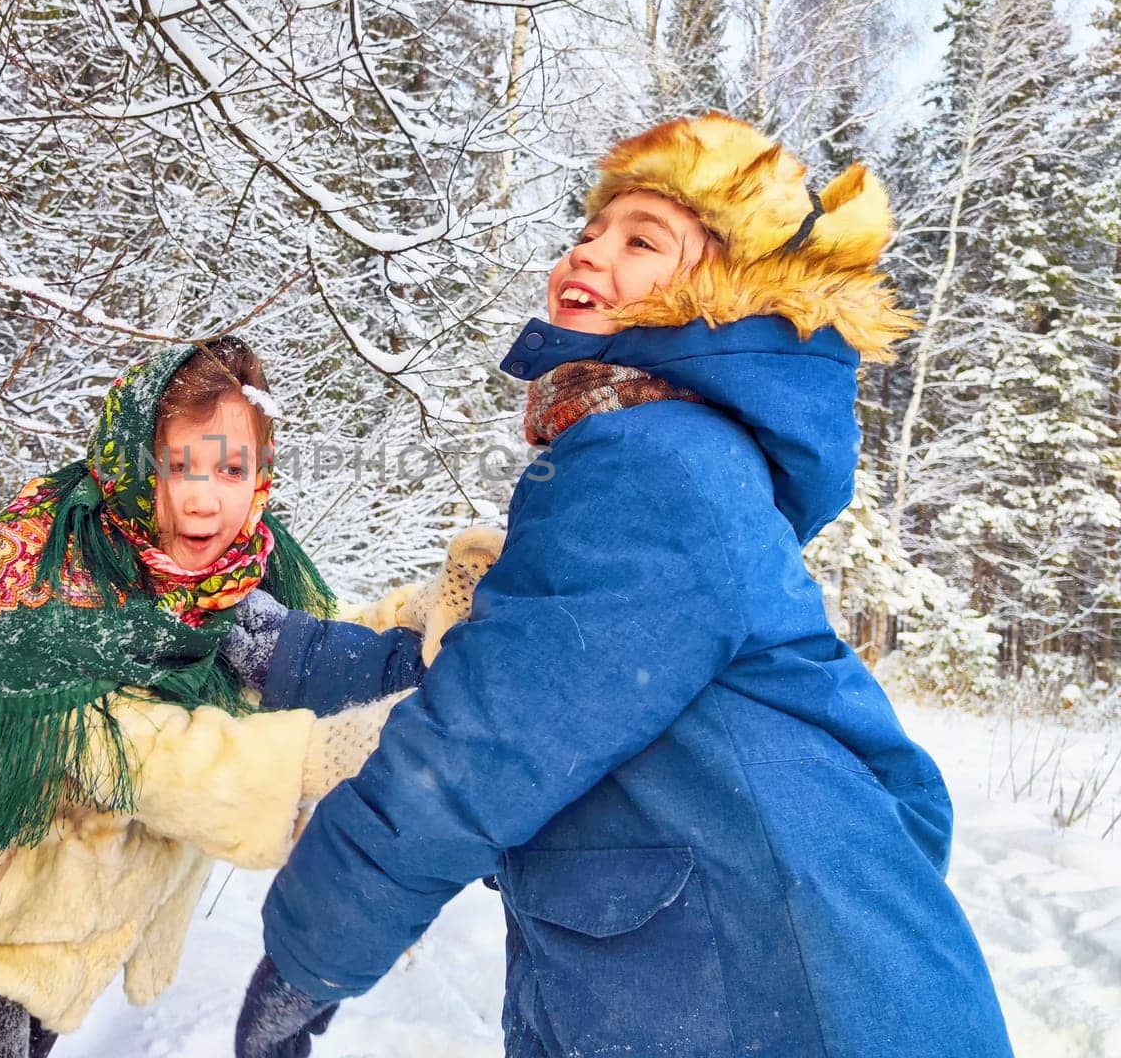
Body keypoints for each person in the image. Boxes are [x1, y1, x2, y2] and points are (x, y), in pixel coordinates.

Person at [234, 114, 1014, 1058]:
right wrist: (298, 654)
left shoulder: (656, 458)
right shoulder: (681, 456)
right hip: (809, 984)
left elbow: (495, 732)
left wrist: (310, 953)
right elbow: (529, 667)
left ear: (720, 292)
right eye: (590, 231)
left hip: (782, 1008)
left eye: (643, 240)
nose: (588, 253)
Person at [0, 337, 428, 1058]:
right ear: (136, 465)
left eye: (232, 468)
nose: (205, 497)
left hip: (77, 931)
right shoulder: (58, 577)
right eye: (179, 466)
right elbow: (134, 753)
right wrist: (315, 756)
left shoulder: (241, 572)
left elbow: (306, 650)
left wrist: (420, 624)